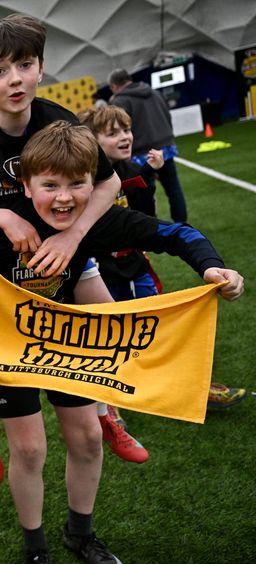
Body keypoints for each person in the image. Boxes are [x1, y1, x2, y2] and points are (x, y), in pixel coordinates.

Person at [0, 120, 243, 564]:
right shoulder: (3, 221)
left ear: (93, 185)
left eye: (77, 184)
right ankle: (36, 549)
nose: (65, 198)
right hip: (11, 348)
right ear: (25, 187)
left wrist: (211, 266)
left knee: (89, 437)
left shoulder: (95, 221)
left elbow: (175, 233)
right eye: (49, 186)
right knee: (28, 449)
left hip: (64, 343)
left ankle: (80, 531)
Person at [0, 13, 122, 487]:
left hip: (55, 253)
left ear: (40, 68)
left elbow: (108, 185)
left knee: (114, 325)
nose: (15, 79)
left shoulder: (61, 122)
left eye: (24, 65)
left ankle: (108, 412)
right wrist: (4, 216)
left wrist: (72, 237)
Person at [80, 106, 249, 411]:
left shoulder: (131, 170)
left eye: (126, 129)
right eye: (112, 132)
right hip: (98, 273)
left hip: (134, 264)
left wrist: (148, 176)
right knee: (106, 339)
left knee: (163, 326)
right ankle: (110, 409)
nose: (124, 136)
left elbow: (147, 219)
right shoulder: (81, 179)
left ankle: (196, 386)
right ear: (92, 141)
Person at [108, 68, 188, 223]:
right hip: (165, 148)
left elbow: (116, 129)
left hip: (140, 155)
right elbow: (168, 116)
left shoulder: (120, 101)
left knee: (143, 194)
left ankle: (149, 227)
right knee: (174, 189)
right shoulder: (154, 92)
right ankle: (182, 225)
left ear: (114, 86)